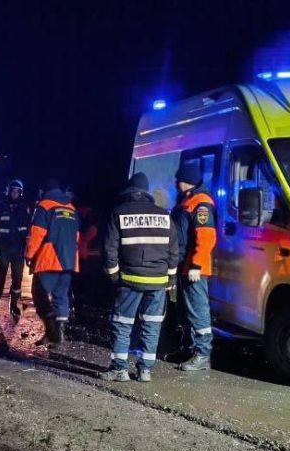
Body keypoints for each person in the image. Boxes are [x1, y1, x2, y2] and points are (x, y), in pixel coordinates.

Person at [98, 173, 178, 382]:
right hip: (158, 282)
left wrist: (113, 276)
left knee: (122, 324)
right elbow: (173, 251)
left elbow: (109, 249)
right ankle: (145, 371)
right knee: (151, 325)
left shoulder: (119, 212)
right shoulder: (164, 215)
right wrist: (170, 279)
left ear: (129, 191)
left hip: (130, 280)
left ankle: (119, 369)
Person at [172, 164, 217, 371]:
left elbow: (206, 236)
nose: (176, 183)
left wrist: (197, 264)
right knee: (184, 310)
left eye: (179, 179)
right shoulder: (186, 201)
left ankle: (202, 354)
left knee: (197, 310)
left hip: (194, 267)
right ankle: (188, 348)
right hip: (184, 265)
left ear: (187, 181)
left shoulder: (201, 203)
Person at [25, 178, 79, 347]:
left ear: (44, 190)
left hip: (49, 259)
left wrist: (29, 255)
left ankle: (51, 331)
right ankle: (59, 335)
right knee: (61, 297)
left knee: (39, 294)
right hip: (69, 261)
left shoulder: (44, 206)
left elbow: (37, 234)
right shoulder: (71, 208)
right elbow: (77, 236)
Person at [0, 179, 30, 320]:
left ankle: (14, 305)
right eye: (13, 191)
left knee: (17, 279)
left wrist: (29, 249)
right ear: (9, 191)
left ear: (21, 193)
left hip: (19, 249)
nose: (15, 194)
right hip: (4, 248)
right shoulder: (1, 207)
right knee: (0, 278)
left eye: (18, 192)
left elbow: (29, 229)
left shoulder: (24, 208)